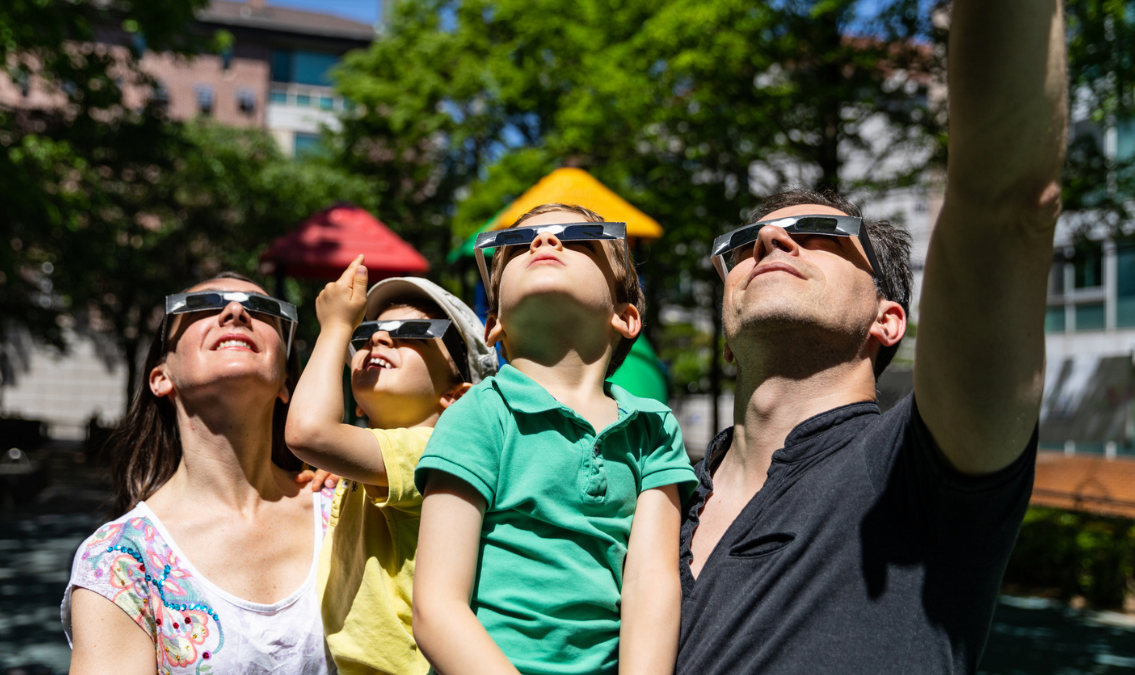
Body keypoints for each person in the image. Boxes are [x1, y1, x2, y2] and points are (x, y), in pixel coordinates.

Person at [676, 1, 1067, 673]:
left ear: (888, 319)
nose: (771, 237)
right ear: (727, 339)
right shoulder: (656, 495)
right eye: (744, 242)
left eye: (822, 235)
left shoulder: (920, 472)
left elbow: (1007, 204)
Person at [411, 204, 697, 675]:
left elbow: (651, 582)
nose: (544, 242)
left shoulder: (653, 425)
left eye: (579, 238)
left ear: (626, 316)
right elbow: (437, 608)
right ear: (494, 324)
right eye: (518, 245)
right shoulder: (480, 413)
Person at [62, 272, 335, 675]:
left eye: (262, 308)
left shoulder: (349, 510)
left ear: (286, 384)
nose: (236, 311)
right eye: (202, 306)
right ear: (161, 377)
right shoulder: (119, 561)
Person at [285, 255, 497, 675]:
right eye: (364, 333)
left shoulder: (441, 450)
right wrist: (339, 465)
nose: (378, 339)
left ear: (455, 396)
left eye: (413, 331)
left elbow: (308, 433)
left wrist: (335, 327)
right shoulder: (370, 468)